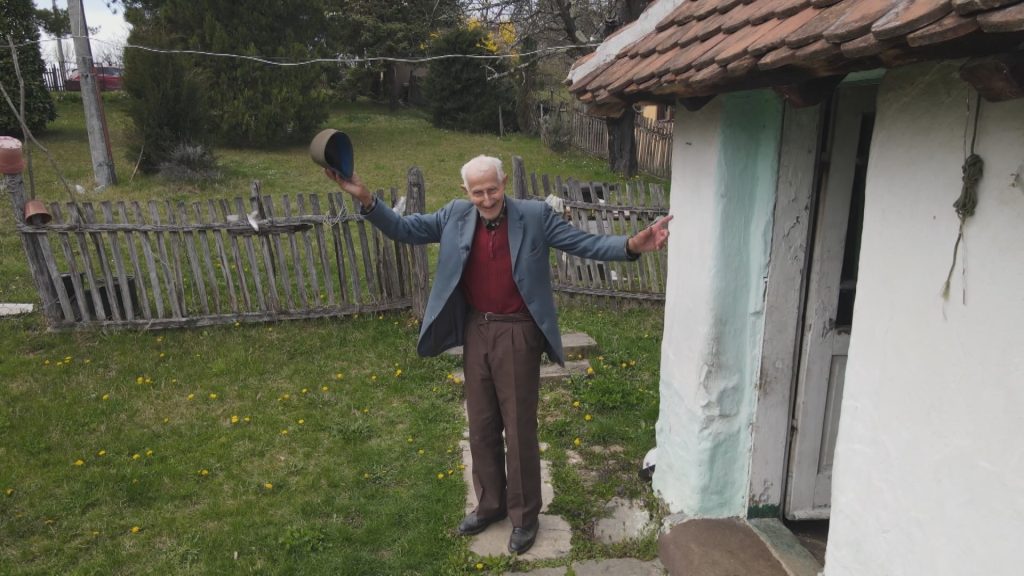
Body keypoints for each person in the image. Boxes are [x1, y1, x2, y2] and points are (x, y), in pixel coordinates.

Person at [326, 155, 671, 554]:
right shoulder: (454, 215)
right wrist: (365, 198)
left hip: (518, 331)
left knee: (519, 426)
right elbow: (405, 229)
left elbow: (584, 242)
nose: (487, 199)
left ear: (504, 182)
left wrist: (632, 245)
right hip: (477, 329)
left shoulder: (534, 216)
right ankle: (490, 504)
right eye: (478, 192)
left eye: (493, 189)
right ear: (465, 191)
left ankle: (524, 517)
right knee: (481, 424)